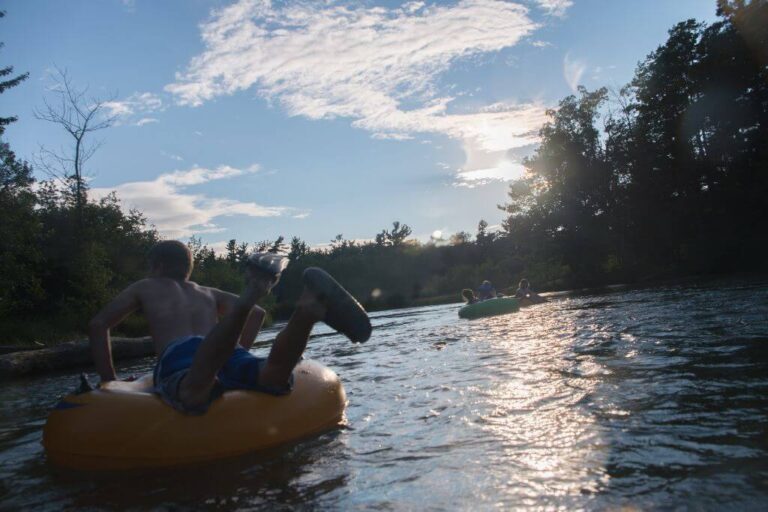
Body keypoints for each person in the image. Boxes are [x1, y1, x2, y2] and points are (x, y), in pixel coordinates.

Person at [88, 240, 371, 415]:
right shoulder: (206, 291)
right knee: (272, 375)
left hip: (185, 354)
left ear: (157, 266)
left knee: (193, 389)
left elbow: (99, 324)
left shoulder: (145, 286)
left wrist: (109, 380)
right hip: (225, 347)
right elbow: (258, 314)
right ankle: (306, 312)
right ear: (187, 268)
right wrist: (234, 351)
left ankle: (217, 355)